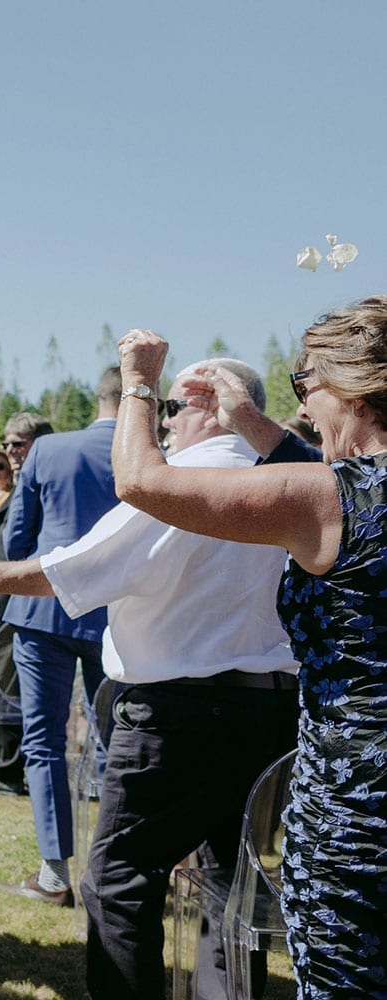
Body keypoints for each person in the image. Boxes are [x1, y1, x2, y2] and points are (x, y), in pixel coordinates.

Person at [0, 357, 300, 999]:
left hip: (176, 719)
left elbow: (80, 567)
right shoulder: (295, 478)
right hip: (269, 718)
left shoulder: (183, 481)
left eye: (172, 408)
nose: (165, 424)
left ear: (209, 405)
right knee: (230, 885)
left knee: (119, 882)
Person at [113, 314, 387, 997]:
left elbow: (141, 481)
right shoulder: (338, 493)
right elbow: (319, 478)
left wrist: (138, 384)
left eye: (306, 383)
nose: (302, 408)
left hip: (358, 811)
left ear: (354, 391)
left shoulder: (330, 501)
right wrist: (247, 421)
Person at [0, 368, 122, 907]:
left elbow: (16, 539)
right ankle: (114, 872)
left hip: (43, 610)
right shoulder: (149, 456)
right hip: (114, 616)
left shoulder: (48, 450)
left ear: (99, 397)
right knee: (116, 743)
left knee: (44, 741)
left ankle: (54, 873)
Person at [0, 412, 54, 795]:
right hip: (5, 604)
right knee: (4, 687)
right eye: (6, 444)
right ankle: (6, 767)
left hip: (24, 604)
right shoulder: (20, 484)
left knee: (11, 692)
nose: (9, 451)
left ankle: (7, 773)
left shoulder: (44, 486)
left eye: (17, 443)